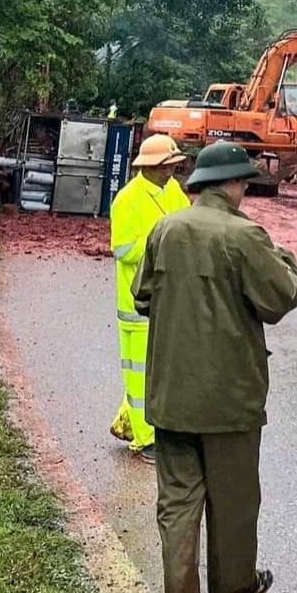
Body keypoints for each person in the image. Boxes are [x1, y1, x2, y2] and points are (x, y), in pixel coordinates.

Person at [133, 142, 297, 593]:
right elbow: (281, 297)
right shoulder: (245, 234)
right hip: (230, 399)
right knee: (232, 498)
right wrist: (286, 258)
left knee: (178, 502)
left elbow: (143, 297)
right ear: (231, 185)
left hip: (170, 395)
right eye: (245, 183)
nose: (246, 190)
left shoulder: (165, 229)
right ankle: (233, 584)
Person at [107, 134, 190, 463]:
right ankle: (145, 439)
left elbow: (186, 223)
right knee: (140, 375)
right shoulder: (127, 199)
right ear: (151, 167)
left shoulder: (172, 191)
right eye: (166, 167)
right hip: (137, 305)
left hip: (169, 300)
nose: (171, 172)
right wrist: (162, 240)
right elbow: (123, 250)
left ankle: (129, 423)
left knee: (160, 372)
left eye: (173, 166)